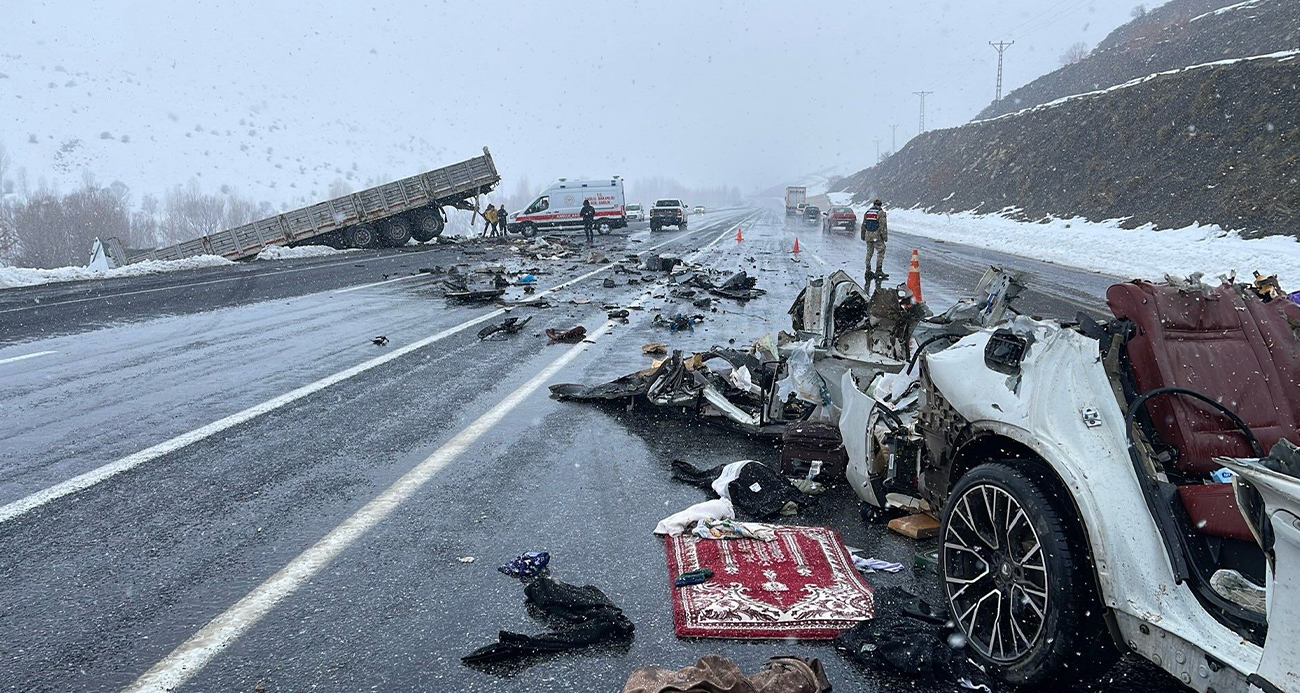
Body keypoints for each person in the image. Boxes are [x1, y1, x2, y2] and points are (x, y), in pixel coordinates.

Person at [861, 199, 888, 282]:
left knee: (869, 252)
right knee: (881, 250)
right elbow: (882, 226)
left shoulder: (868, 212)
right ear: (880, 204)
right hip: (876, 236)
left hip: (868, 235)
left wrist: (863, 235)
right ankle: (878, 270)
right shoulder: (881, 213)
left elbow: (864, 224)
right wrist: (884, 237)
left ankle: (868, 269)